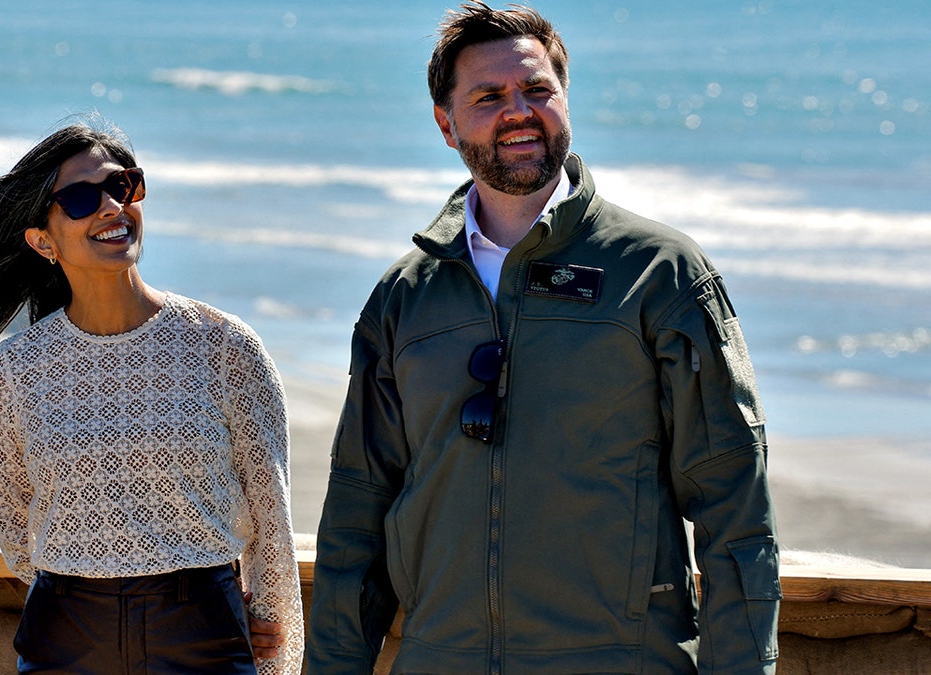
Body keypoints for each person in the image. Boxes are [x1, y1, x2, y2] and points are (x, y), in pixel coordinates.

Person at [307, 3, 780, 673]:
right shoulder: (405, 298)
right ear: (446, 123)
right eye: (489, 96)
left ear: (565, 98)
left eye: (537, 90)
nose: (518, 111)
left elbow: (735, 510)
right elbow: (357, 515)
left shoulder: (661, 272)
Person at [0, 119, 303, 674]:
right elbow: (14, 527)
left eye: (123, 186)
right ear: (42, 240)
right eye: (82, 198)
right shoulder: (15, 370)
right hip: (66, 638)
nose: (111, 206)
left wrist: (273, 638)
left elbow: (269, 514)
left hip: (202, 632)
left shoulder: (224, 346)